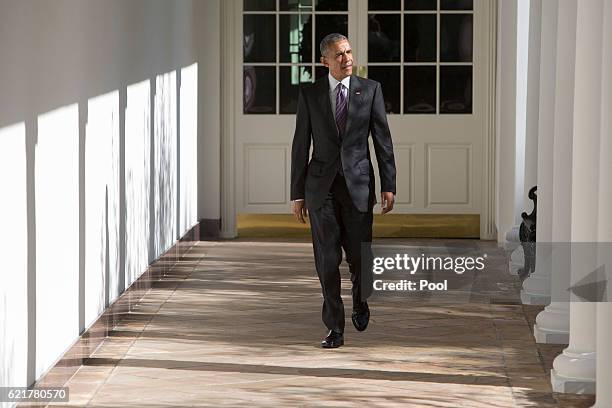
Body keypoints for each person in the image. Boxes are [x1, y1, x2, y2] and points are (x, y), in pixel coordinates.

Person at [290, 33, 397, 348]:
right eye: (339, 54)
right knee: (326, 258)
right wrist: (298, 194)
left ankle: (361, 301)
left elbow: (383, 141)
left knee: (360, 257)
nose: (347, 58)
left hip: (358, 187)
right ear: (325, 61)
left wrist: (389, 185)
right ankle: (334, 328)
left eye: (349, 52)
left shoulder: (370, 90)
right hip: (320, 187)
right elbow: (300, 146)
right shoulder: (310, 96)